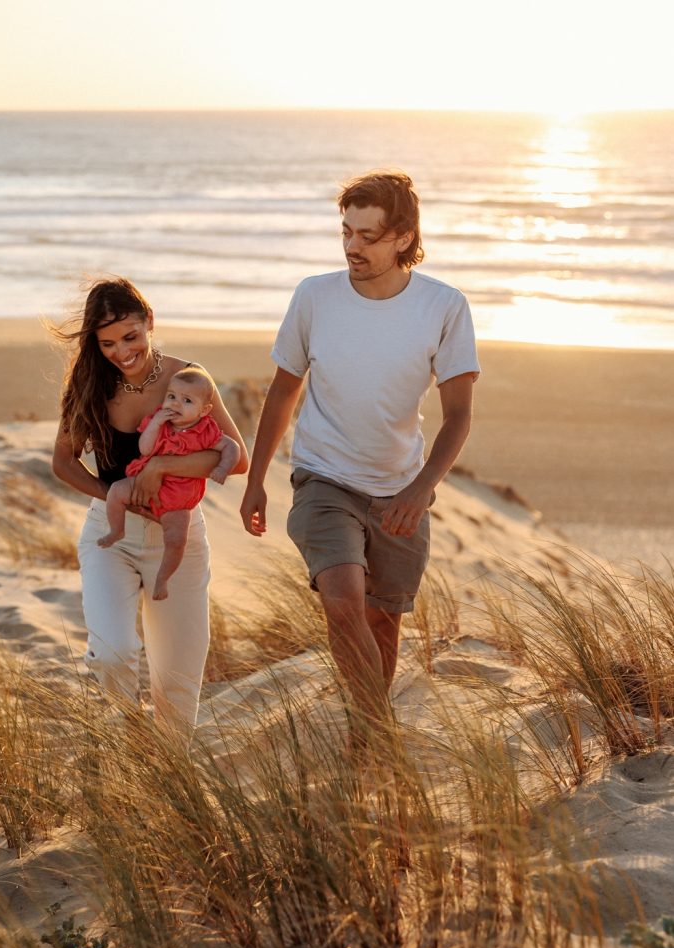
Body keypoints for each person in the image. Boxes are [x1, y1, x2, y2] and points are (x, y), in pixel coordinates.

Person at [240, 170, 479, 744]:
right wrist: (256, 480)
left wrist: (419, 489)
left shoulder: (443, 307)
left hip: (399, 489)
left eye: (368, 236)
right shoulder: (314, 296)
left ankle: (367, 737)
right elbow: (282, 391)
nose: (353, 247)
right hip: (323, 477)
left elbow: (460, 416)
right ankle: (380, 728)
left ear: (403, 238)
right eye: (346, 231)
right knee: (344, 601)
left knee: (382, 622)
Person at [52, 277, 248, 734]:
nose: (122, 351)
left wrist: (160, 466)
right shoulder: (89, 386)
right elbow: (63, 462)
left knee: (177, 686)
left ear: (150, 323)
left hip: (178, 538)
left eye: (130, 336)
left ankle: (168, 779)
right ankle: (125, 733)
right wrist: (116, 495)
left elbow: (235, 457)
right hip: (110, 532)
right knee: (114, 651)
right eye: (107, 343)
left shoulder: (189, 379)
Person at [98, 366, 241, 601]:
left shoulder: (205, 431)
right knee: (116, 490)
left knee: (176, 540)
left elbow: (232, 447)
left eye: (187, 401)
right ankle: (117, 529)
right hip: (144, 484)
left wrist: (223, 468)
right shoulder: (159, 423)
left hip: (178, 499)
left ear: (204, 411)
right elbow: (144, 449)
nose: (175, 404)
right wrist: (155, 423)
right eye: (172, 396)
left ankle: (162, 580)